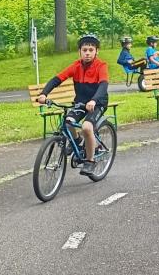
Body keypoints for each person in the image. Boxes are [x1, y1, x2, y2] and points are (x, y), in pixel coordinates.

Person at [36, 33, 108, 177]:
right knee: (68, 122)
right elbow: (57, 79)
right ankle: (77, 140)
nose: (87, 53)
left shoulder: (101, 66)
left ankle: (90, 161)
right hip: (80, 103)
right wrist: (44, 93)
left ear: (96, 51)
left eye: (91, 50)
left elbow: (103, 85)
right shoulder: (76, 66)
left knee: (86, 127)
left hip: (97, 103)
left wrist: (94, 100)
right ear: (79, 51)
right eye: (84, 50)